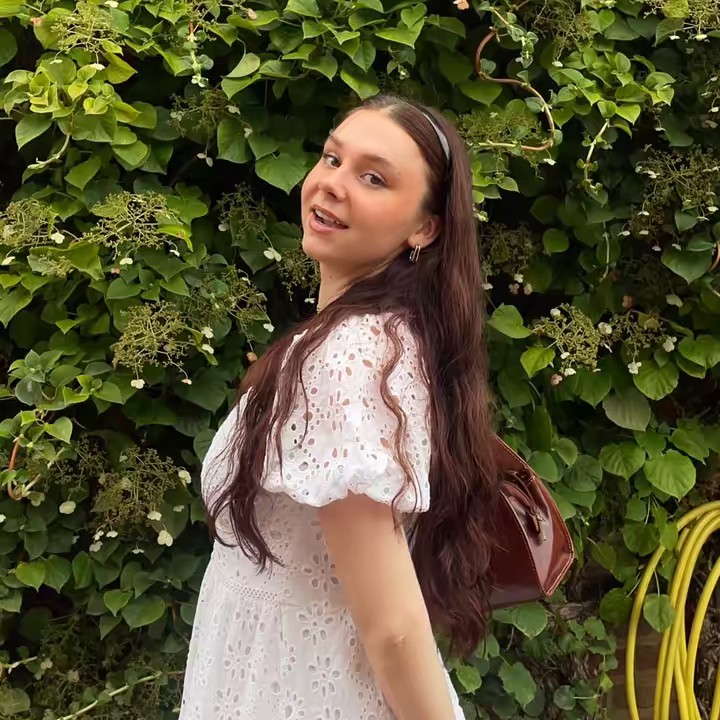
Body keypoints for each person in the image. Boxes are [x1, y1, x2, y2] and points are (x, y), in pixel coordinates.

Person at [179, 93, 500, 720]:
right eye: (332, 158)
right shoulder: (368, 337)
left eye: (374, 178)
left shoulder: (350, 357)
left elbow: (394, 627)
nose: (332, 183)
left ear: (425, 227)